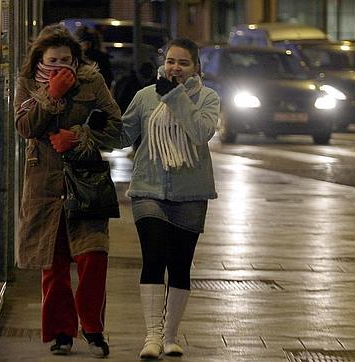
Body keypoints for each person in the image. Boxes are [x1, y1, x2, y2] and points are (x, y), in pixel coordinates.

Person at [13, 23, 122, 358]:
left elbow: (116, 127)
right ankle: (61, 332)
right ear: (40, 60)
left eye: (66, 59)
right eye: (53, 59)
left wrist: (78, 136)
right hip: (45, 187)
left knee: (93, 256)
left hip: (86, 184)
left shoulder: (92, 82)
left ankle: (92, 326)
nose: (60, 65)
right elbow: (24, 126)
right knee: (55, 264)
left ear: (76, 59)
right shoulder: (28, 85)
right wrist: (51, 95)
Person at [118, 38, 220, 359]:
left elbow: (201, 131)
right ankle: (152, 336)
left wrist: (175, 96)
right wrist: (100, 124)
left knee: (179, 265)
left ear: (196, 68)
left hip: (190, 192)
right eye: (171, 61)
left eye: (183, 63)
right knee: (153, 256)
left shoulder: (207, 98)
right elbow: (124, 134)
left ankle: (171, 335)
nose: (175, 68)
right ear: (163, 63)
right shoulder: (145, 97)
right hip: (149, 187)